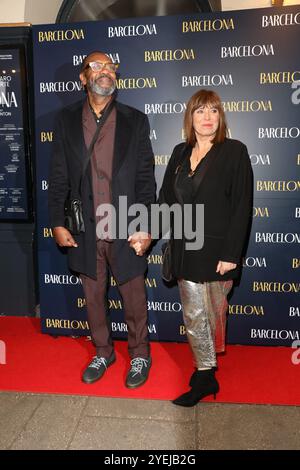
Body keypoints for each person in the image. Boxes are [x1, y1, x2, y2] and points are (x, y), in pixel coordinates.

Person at [48, 51, 155, 388]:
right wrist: (57, 221)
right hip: (85, 228)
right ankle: (103, 350)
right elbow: (59, 175)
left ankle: (139, 355)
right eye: (96, 66)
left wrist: (146, 224)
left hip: (125, 226)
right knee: (93, 298)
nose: (104, 71)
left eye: (110, 66)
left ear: (116, 76)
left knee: (134, 297)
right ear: (83, 78)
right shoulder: (65, 120)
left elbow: (145, 178)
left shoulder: (135, 120)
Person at [158, 89, 253, 406]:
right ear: (190, 117)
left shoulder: (234, 151)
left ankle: (205, 371)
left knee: (210, 316)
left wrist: (231, 254)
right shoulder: (179, 153)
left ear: (221, 116)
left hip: (216, 255)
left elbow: (242, 206)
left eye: (213, 110)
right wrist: (146, 232)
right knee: (194, 314)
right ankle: (205, 374)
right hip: (185, 249)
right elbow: (166, 202)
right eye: (200, 111)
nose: (208, 117)